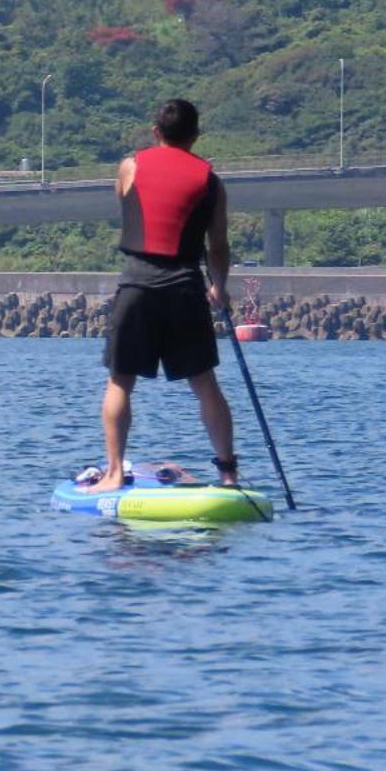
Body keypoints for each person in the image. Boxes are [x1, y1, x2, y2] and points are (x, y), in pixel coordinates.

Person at [89, 99, 238, 493]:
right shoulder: (211, 181)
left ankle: (115, 472)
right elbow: (218, 245)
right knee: (205, 382)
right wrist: (219, 287)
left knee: (120, 380)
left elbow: (127, 202)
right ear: (196, 136)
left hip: (137, 283)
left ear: (156, 132)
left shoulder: (130, 166)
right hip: (186, 286)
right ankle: (227, 474)